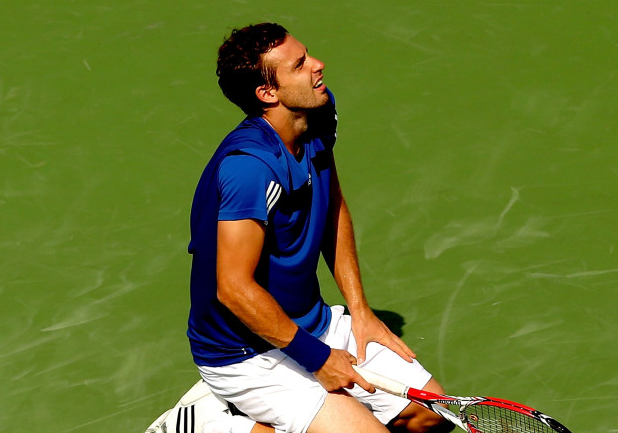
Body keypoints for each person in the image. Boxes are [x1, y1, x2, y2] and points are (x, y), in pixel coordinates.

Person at [186, 22, 453, 433]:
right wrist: (317, 359)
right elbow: (233, 288)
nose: (318, 65)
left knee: (429, 418)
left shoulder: (318, 111)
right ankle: (218, 424)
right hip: (245, 353)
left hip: (311, 323)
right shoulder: (249, 168)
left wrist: (361, 311)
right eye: (300, 64)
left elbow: (332, 206)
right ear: (268, 93)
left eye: (307, 54)